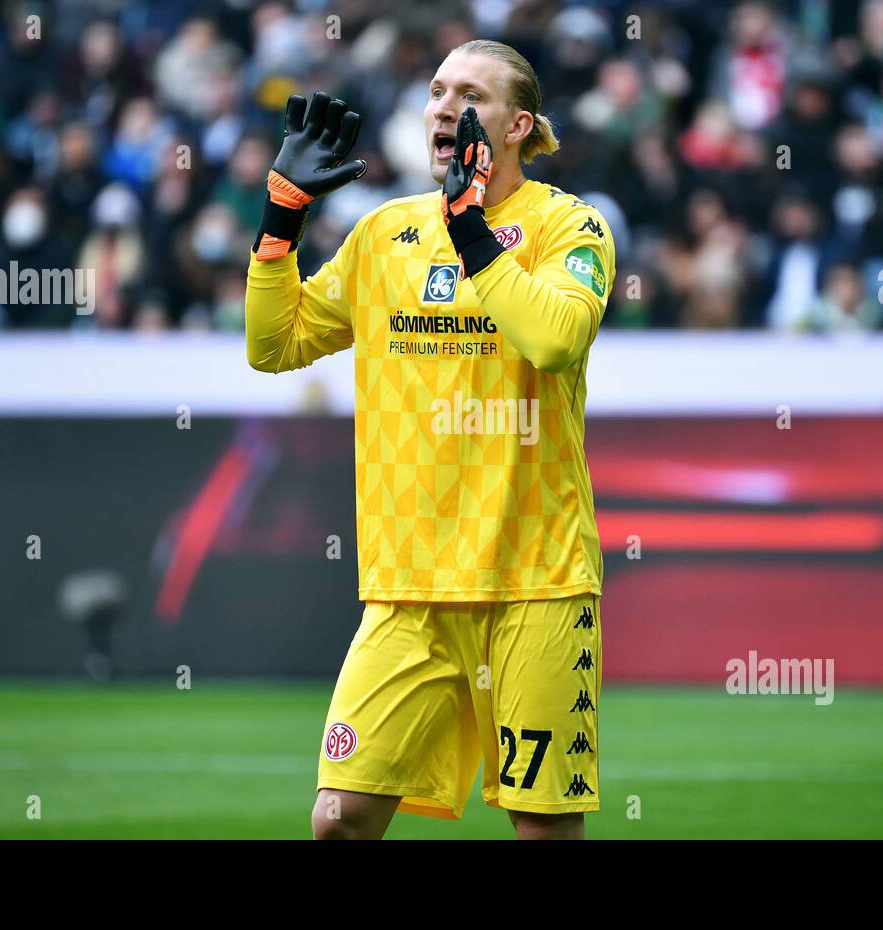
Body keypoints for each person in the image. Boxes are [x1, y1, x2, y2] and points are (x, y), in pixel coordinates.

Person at [244, 39, 615, 839]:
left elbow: (554, 339)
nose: (445, 106)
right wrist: (281, 220)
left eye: (470, 96)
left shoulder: (570, 226)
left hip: (536, 581)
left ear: (518, 126)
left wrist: (471, 229)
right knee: (337, 820)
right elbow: (273, 344)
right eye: (438, 90)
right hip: (408, 587)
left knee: (542, 831)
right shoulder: (384, 236)